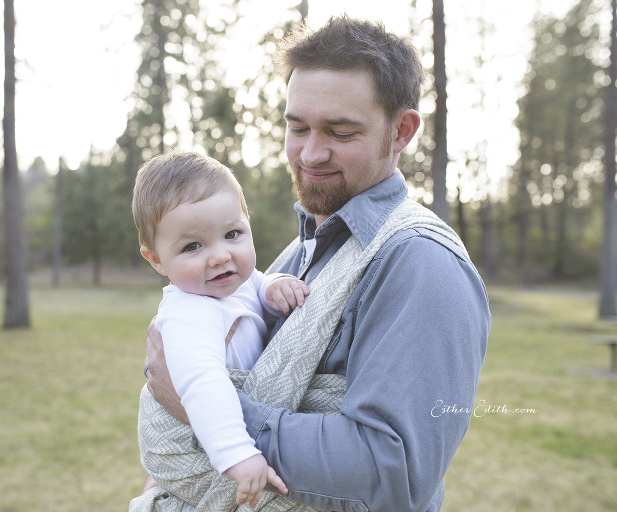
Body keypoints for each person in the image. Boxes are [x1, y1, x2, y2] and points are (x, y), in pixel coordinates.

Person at [141, 16, 490, 512]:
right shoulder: (293, 258)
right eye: (297, 127)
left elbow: (395, 472)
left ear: (402, 131)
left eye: (340, 132)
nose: (310, 153)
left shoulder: (422, 264)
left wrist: (203, 408)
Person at [132, 151, 310, 507]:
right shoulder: (190, 311)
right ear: (157, 259)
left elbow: (256, 284)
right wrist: (237, 453)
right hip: (198, 439)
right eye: (192, 246)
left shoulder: (234, 282)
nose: (220, 256)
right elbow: (202, 383)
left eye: (232, 234)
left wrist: (274, 287)